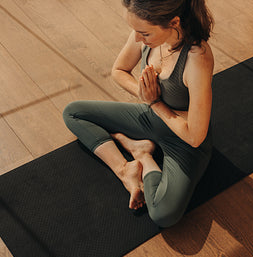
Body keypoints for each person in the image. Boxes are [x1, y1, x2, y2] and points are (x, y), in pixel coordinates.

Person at [63, 0, 214, 228]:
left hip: (183, 139)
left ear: (173, 22)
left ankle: (144, 156)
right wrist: (144, 94)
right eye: (135, 30)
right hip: (151, 116)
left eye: (143, 33)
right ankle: (126, 169)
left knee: (163, 214)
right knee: (73, 112)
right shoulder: (146, 33)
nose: (136, 39)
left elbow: (195, 136)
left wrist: (154, 102)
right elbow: (119, 70)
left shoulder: (197, 57)